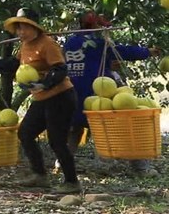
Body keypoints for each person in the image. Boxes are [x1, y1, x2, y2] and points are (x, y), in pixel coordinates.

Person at [64, 10, 161, 175]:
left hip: (73, 95)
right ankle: (137, 167)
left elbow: (88, 62)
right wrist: (147, 52)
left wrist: (109, 64)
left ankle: (63, 164)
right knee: (120, 127)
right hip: (99, 96)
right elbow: (124, 51)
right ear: (93, 25)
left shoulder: (69, 43)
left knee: (74, 128)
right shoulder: (98, 43)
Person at [0, 8, 81, 194]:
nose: (20, 32)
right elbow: (15, 63)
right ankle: (39, 175)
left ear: (34, 27)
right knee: (26, 132)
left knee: (57, 141)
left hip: (60, 97)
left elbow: (60, 69)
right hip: (42, 98)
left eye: (23, 28)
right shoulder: (25, 45)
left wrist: (43, 84)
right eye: (18, 28)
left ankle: (72, 182)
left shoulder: (47, 44)